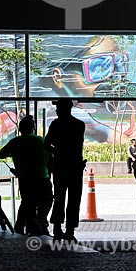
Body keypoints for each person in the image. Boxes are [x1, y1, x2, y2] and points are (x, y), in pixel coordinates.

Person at [0, 115, 53, 236]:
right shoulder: (40, 141)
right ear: (33, 128)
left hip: (24, 178)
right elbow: (50, 157)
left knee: (27, 203)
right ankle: (40, 221)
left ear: (20, 129)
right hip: (42, 177)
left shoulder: (15, 142)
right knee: (47, 200)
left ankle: (21, 226)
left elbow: (2, 153)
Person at [45, 98, 86, 242]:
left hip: (60, 166)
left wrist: (57, 151)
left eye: (58, 108)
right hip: (75, 166)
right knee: (74, 199)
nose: (56, 110)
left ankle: (57, 229)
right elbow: (77, 145)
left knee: (59, 197)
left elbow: (46, 144)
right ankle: (69, 231)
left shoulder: (55, 124)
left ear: (63, 109)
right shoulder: (79, 125)